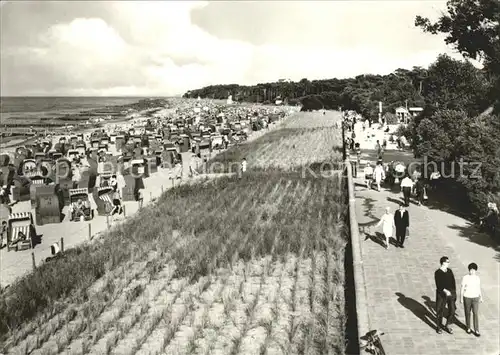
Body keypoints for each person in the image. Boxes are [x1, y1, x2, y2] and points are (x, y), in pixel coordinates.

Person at [434, 256, 457, 334]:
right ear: (443, 263)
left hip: (451, 294)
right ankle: (439, 327)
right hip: (441, 294)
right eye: (447, 262)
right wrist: (445, 291)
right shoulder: (437, 272)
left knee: (452, 310)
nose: (449, 263)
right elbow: (438, 285)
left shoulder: (449, 271)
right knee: (440, 311)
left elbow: (453, 282)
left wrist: (454, 293)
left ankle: (447, 325)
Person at [460, 262, 483, 337]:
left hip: (475, 297)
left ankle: (476, 329)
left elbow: (478, 288)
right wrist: (461, 298)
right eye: (471, 270)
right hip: (467, 297)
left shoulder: (477, 278)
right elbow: (462, 288)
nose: (472, 271)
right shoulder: (465, 277)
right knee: (467, 313)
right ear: (469, 270)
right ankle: (468, 327)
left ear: (476, 270)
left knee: (475, 313)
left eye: (474, 270)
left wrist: (481, 297)